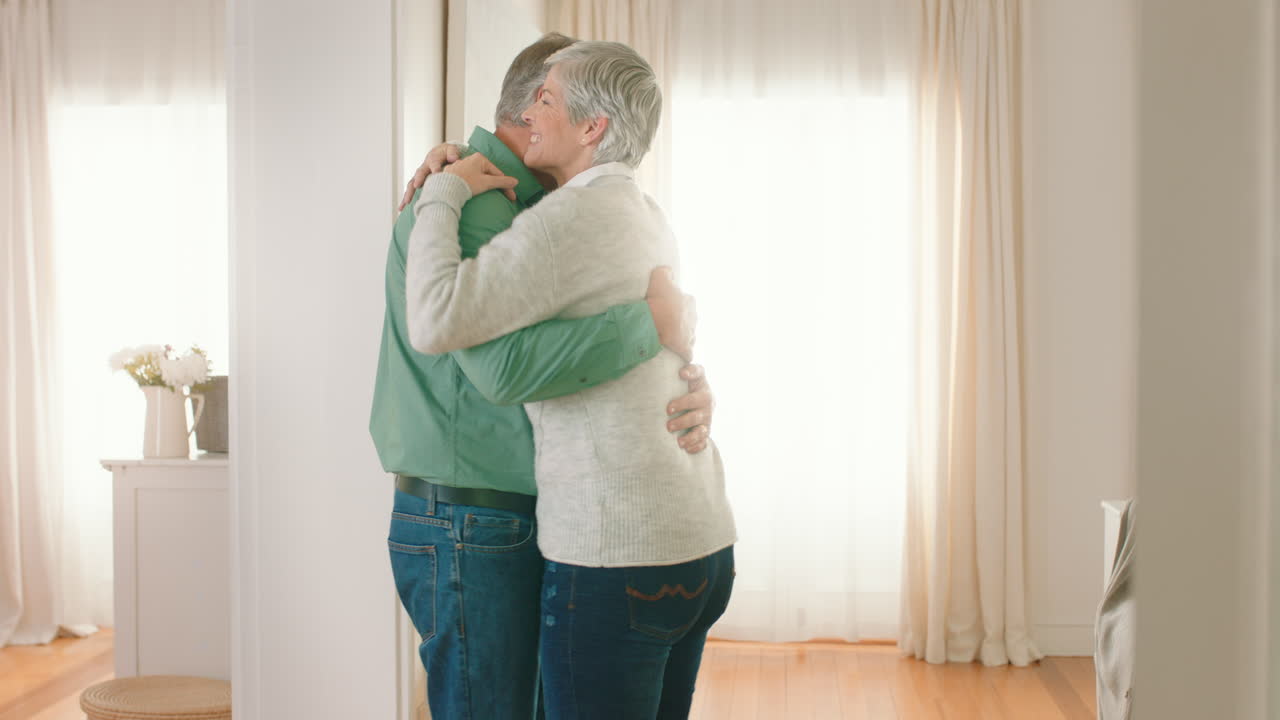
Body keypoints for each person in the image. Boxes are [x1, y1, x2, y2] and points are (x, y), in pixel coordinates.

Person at [372, 33, 716, 720]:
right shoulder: (475, 201)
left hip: (507, 516)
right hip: (473, 518)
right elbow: (501, 369)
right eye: (553, 96)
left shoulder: (537, 207)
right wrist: (649, 324)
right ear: (535, 106)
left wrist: (683, 379)